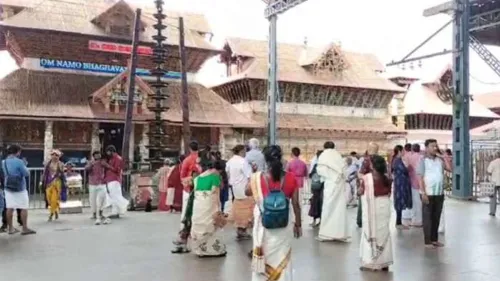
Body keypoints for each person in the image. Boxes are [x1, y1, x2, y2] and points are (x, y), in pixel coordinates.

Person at [246, 145, 302, 281]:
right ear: (281, 158)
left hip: (263, 226)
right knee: (282, 258)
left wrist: (253, 175)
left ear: (265, 160)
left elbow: (246, 191)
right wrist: (298, 225)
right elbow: (295, 204)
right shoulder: (291, 178)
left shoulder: (257, 178)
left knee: (263, 257)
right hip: (283, 226)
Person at [188, 154, 227, 257]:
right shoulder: (215, 177)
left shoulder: (198, 178)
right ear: (219, 170)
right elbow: (216, 196)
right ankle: (215, 251)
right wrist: (219, 211)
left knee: (199, 224)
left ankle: (200, 250)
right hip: (209, 205)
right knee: (212, 226)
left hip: (198, 207)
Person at [359, 155, 393, 271]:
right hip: (383, 207)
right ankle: (384, 262)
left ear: (372, 166)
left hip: (371, 208)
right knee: (383, 233)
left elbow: (361, 192)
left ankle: (370, 262)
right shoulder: (387, 178)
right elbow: (389, 192)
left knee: (369, 232)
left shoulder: (367, 179)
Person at [417, 139, 451, 248]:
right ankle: (427, 242)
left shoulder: (439, 161)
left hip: (439, 193)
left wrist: (444, 158)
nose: (435, 148)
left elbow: (450, 169)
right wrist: (423, 193)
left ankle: (434, 239)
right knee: (427, 218)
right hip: (428, 193)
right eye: (432, 146)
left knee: (436, 217)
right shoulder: (423, 161)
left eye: (436, 146)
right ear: (426, 148)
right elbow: (420, 178)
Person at [316, 141, 350, 242]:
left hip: (330, 183)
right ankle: (340, 233)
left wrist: (327, 176)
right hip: (339, 184)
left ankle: (326, 234)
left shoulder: (323, 155)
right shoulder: (338, 155)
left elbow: (320, 169)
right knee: (339, 207)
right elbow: (344, 170)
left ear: (324, 147)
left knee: (328, 207)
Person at [2, 144, 36, 235]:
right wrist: (25, 165)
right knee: (24, 207)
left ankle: (10, 228)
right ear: (17, 152)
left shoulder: (3, 162)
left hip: (8, 187)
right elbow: (26, 173)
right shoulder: (19, 162)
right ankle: (24, 228)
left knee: (9, 207)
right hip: (20, 188)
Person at [226, 144, 254, 240]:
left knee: (238, 210)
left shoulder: (230, 161)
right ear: (241, 151)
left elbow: (227, 173)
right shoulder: (243, 162)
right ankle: (243, 229)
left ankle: (239, 228)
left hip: (235, 189)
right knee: (247, 210)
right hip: (244, 188)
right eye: (245, 151)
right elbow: (249, 175)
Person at [357, 143, 380, 228]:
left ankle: (361, 221)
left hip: (369, 185)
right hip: (372, 185)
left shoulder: (368, 160)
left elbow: (360, 174)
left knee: (364, 204)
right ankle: (362, 221)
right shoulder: (368, 160)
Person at [103, 145, 128, 219]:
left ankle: (123, 204)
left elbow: (117, 170)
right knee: (113, 196)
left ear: (111, 151)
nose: (107, 153)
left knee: (115, 196)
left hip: (114, 179)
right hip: (111, 179)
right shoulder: (112, 158)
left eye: (108, 151)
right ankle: (116, 212)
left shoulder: (117, 158)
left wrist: (107, 166)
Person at [41, 149, 67, 222]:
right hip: (48, 183)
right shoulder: (48, 164)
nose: (55, 156)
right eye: (53, 155)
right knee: (48, 198)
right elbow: (44, 173)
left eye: (56, 155)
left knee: (54, 199)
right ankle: (55, 211)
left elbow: (62, 173)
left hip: (57, 183)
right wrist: (42, 181)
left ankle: (51, 214)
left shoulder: (61, 164)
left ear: (59, 156)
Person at [85, 151, 109, 224]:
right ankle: (94, 213)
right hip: (92, 183)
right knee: (92, 200)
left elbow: (109, 167)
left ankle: (101, 213)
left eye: (99, 155)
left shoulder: (103, 162)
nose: (97, 156)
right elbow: (86, 169)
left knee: (102, 199)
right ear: (93, 156)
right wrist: (91, 165)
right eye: (96, 155)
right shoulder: (91, 162)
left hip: (101, 183)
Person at [392, 145, 412, 229]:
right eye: (403, 150)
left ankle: (399, 222)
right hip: (400, 184)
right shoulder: (397, 161)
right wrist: (408, 167)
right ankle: (398, 223)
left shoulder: (398, 160)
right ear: (399, 151)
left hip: (401, 183)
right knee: (399, 202)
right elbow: (404, 170)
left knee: (399, 201)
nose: (404, 152)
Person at [406, 143, 424, 227]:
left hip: (413, 182)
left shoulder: (410, 157)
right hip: (422, 182)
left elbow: (407, 169)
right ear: (419, 149)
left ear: (412, 150)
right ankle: (421, 219)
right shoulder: (422, 157)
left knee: (415, 202)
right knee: (421, 202)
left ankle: (416, 220)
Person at [308, 150, 324, 227]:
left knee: (315, 204)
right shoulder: (326, 166)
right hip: (323, 188)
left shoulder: (316, 165)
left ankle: (314, 221)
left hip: (316, 187)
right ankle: (321, 221)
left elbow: (310, 175)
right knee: (321, 204)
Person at [488, 152, 500, 216]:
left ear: (497, 155)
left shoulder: (493, 162)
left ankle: (492, 212)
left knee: (493, 198)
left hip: (494, 182)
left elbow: (489, 172)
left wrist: (490, 178)